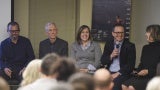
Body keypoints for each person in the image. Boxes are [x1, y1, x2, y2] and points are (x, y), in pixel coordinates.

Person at [122, 24, 160, 90]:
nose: (146, 34)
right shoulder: (145, 48)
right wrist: (137, 71)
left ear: (155, 34)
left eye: (148, 32)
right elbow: (142, 63)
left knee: (131, 87)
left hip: (155, 77)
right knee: (124, 85)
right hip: (143, 76)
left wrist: (148, 71)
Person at [101, 24, 136, 90]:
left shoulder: (130, 46)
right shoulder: (109, 44)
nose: (120, 35)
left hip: (122, 73)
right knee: (97, 82)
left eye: (122, 32)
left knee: (114, 85)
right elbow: (103, 61)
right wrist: (111, 56)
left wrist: (117, 73)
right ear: (113, 33)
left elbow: (130, 65)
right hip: (109, 71)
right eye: (117, 32)